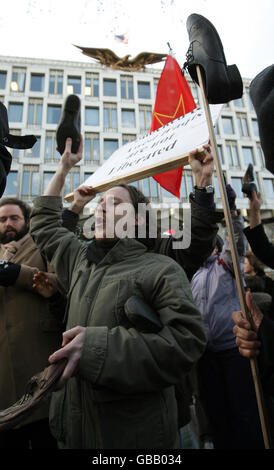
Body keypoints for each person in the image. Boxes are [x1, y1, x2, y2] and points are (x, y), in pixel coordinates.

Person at [29, 136, 209, 449]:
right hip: (73, 435)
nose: (101, 208)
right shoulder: (79, 258)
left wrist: (97, 348)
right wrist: (63, 169)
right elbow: (44, 223)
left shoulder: (159, 269)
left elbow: (186, 342)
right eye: (101, 203)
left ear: (137, 219)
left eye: (115, 204)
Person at [190, 186, 265, 449]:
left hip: (233, 351)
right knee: (216, 415)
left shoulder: (227, 263)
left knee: (244, 415)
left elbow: (235, 238)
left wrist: (232, 209)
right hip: (206, 355)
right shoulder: (194, 273)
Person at [0, 197, 64, 449]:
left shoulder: (43, 245)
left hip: (39, 362)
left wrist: (21, 275)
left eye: (13, 218)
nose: (8, 224)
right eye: (2, 219)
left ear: (26, 221)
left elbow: (64, 283)